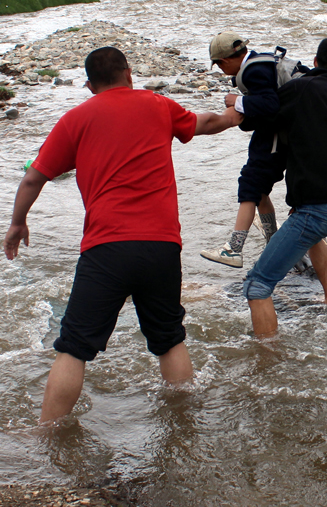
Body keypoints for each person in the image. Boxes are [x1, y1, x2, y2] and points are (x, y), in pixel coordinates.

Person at [3, 47, 243, 424]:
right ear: (129, 74)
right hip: (162, 246)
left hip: (106, 247)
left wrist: (17, 224)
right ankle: (184, 427)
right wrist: (236, 114)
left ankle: (46, 438)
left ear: (88, 85)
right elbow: (206, 123)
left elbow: (34, 176)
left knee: (74, 348)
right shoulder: (157, 104)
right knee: (169, 339)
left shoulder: (75, 119)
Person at [243, 36, 327, 337]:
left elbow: (261, 116)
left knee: (257, 284)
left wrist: (235, 103)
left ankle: (268, 361)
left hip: (318, 211)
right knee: (311, 231)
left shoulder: (301, 89)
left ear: (315, 62)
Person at [200, 32, 288, 269]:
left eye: (218, 63)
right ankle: (273, 241)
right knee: (259, 191)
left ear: (227, 59)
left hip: (274, 139)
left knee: (249, 185)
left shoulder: (252, 70)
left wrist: (235, 101)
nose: (219, 69)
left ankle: (234, 249)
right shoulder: (263, 62)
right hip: (280, 136)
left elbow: (270, 105)